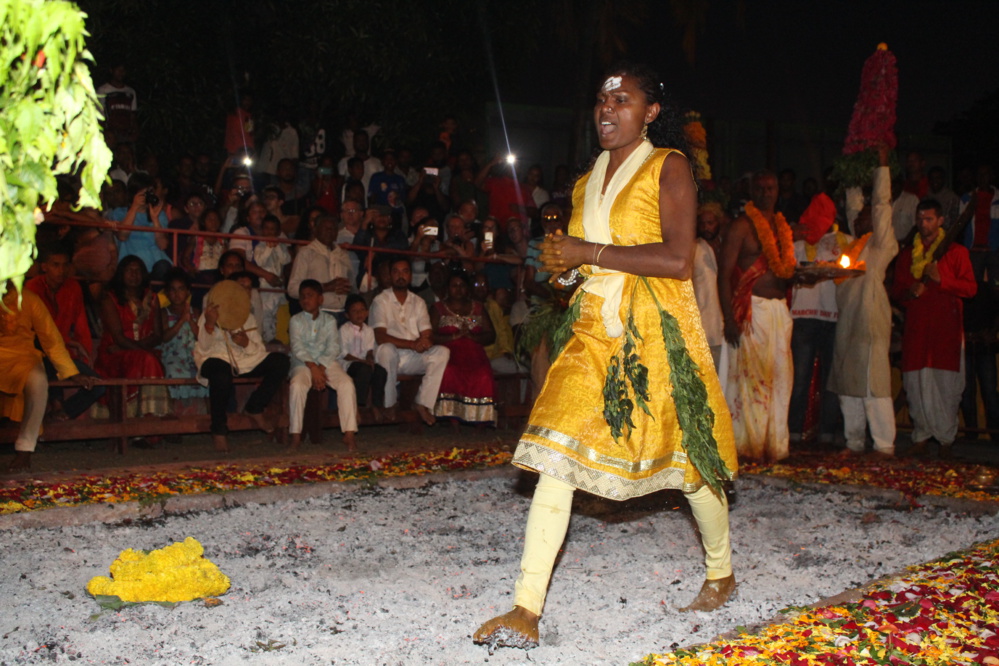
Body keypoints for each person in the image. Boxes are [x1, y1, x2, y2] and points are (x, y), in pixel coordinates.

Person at [474, 63, 737, 651]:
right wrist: (564, 268)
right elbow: (586, 265)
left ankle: (721, 571)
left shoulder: (668, 166)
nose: (607, 107)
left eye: (622, 98)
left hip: (653, 332)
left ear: (649, 112)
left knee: (687, 462)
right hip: (592, 328)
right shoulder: (587, 178)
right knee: (554, 452)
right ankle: (525, 608)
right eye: (600, 98)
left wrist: (586, 249)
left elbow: (676, 260)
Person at [718, 170, 795, 463]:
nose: (766, 192)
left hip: (778, 311)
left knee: (781, 378)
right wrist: (729, 319)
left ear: (777, 190)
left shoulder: (781, 226)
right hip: (753, 311)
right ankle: (746, 447)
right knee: (751, 382)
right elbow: (724, 276)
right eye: (760, 188)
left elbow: (785, 270)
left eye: (771, 187)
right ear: (752, 190)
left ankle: (776, 446)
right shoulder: (741, 227)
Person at [891, 199, 977, 457]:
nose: (923, 224)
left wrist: (943, 280)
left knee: (946, 387)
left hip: (945, 333)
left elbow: (971, 289)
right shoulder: (908, 254)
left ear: (940, 222)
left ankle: (946, 440)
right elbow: (896, 291)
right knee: (916, 385)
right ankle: (921, 436)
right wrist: (909, 291)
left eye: (929, 219)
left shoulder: (957, 253)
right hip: (917, 332)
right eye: (920, 219)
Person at [829, 146, 898, 456]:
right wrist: (853, 172)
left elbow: (882, 205)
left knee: (874, 384)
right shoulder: (851, 247)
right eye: (858, 216)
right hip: (847, 324)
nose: (861, 217)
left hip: (871, 323)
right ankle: (854, 441)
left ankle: (884, 445)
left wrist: (881, 168)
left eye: (867, 215)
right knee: (849, 383)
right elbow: (853, 204)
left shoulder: (881, 246)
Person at [0, 283, 94, 472]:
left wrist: (71, 372)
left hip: (22, 356)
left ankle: (25, 451)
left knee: (38, 381)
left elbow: (51, 338)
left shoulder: (29, 299)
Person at [193, 280, 290, 452]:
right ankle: (219, 430)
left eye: (247, 288)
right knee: (221, 375)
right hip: (215, 360)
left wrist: (246, 343)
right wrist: (209, 324)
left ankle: (254, 407)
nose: (244, 292)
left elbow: (258, 350)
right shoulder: (209, 313)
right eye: (240, 287)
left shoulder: (249, 317)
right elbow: (203, 347)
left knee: (280, 362)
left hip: (245, 362)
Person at [25, 242, 105, 420]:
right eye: (55, 265)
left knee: (99, 385)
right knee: (46, 354)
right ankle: (57, 405)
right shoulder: (31, 289)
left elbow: (80, 323)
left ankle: (60, 414)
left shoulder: (73, 287)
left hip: (64, 353)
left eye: (65, 265)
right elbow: (37, 335)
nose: (61, 270)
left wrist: (84, 353)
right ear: (44, 266)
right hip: (37, 353)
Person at [370, 257, 449, 426]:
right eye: (396, 272)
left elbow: (427, 332)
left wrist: (425, 341)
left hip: (412, 356)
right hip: (389, 357)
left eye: (405, 271)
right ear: (390, 276)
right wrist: (413, 344)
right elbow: (380, 337)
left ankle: (422, 402)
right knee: (386, 349)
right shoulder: (380, 300)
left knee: (442, 352)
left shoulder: (418, 302)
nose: (401, 276)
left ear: (411, 276)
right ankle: (389, 403)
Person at [94, 256, 169, 418]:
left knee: (147, 360)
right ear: (121, 274)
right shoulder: (110, 298)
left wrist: (141, 350)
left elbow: (157, 336)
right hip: (114, 354)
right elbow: (118, 337)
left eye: (138, 271)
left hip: (134, 351)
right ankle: (143, 420)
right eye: (129, 270)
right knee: (148, 360)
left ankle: (150, 424)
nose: (134, 275)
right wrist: (143, 352)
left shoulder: (152, 298)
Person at [288, 280, 358, 451]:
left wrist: (321, 368)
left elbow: (334, 347)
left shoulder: (329, 320)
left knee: (346, 384)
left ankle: (349, 434)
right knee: (297, 385)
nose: (306, 300)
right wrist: (313, 367)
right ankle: (296, 436)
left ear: (320, 299)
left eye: (310, 296)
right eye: (303, 297)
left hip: (326, 363)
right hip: (303, 363)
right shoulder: (295, 320)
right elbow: (297, 348)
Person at [430, 270, 497, 424]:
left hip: (475, 355)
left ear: (467, 288)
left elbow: (491, 335)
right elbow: (430, 336)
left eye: (462, 285)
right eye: (454, 286)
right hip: (448, 355)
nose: (458, 289)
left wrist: (473, 337)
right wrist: (453, 337)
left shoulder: (478, 308)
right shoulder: (438, 308)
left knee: (483, 374)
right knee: (450, 372)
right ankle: (452, 420)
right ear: (448, 288)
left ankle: (480, 419)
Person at [159, 269, 208, 411]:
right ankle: (173, 417)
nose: (177, 294)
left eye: (181, 289)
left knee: (206, 370)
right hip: (172, 355)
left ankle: (209, 417)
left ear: (187, 292)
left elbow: (202, 337)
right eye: (172, 290)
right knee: (172, 371)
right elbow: (164, 337)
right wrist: (181, 320)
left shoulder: (196, 311)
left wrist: (190, 320)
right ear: (167, 293)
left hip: (194, 354)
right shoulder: (164, 312)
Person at [287, 214, 354, 318]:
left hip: (342, 313)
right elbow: (292, 289)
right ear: (316, 230)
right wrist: (324, 287)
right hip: (317, 313)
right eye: (325, 228)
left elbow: (352, 285)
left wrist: (347, 288)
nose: (329, 231)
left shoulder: (343, 255)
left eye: (333, 229)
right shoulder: (306, 253)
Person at [340, 295, 387, 421]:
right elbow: (344, 354)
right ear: (347, 315)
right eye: (354, 311)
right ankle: (357, 406)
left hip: (364, 362)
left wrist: (370, 358)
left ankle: (376, 405)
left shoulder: (369, 330)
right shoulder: (344, 330)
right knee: (364, 370)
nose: (359, 314)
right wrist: (363, 362)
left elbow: (369, 349)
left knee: (380, 371)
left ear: (367, 313)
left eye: (361, 310)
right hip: (348, 364)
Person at [692, 202, 725, 372]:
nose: (706, 227)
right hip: (704, 324)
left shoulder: (726, 247)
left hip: (725, 325)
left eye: (710, 223)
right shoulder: (693, 249)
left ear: (718, 223)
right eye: (702, 223)